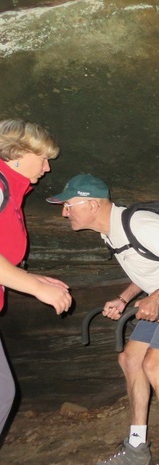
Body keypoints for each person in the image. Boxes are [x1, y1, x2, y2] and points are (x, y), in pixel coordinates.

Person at [48, 174, 159, 465]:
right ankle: (137, 446)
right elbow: (148, 267)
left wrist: (158, 296)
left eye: (69, 205)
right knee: (129, 360)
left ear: (92, 204)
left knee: (154, 366)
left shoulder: (141, 225)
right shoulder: (110, 231)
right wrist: (124, 298)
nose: (64, 212)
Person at [0, 119, 73, 441]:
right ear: (17, 152)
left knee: (2, 393)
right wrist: (35, 288)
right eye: (43, 158)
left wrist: (29, 276)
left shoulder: (10, 190)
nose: (47, 168)